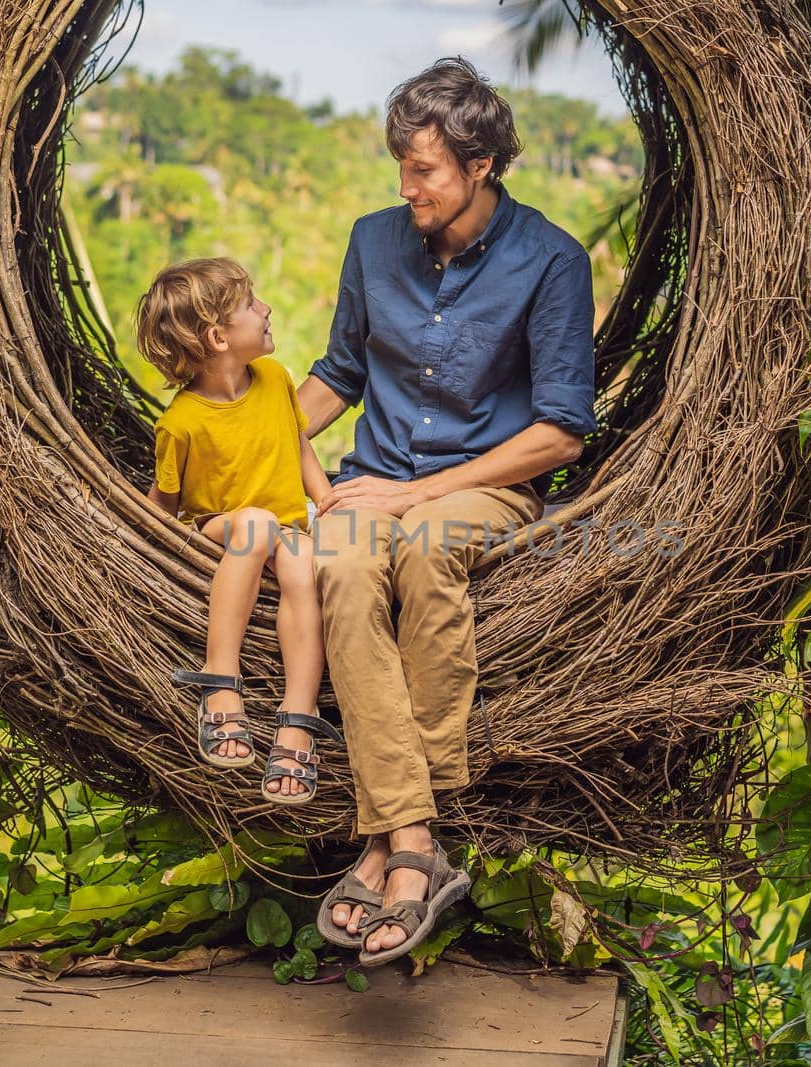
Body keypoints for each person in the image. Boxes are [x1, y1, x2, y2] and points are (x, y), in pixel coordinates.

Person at [301, 58, 598, 966]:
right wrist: (251, 420)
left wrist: (412, 491)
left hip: (486, 489)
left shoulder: (552, 260)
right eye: (401, 166)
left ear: (480, 165)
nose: (407, 187)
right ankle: (415, 844)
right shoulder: (372, 240)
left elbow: (561, 433)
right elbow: (340, 375)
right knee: (343, 565)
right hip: (372, 479)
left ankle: (381, 844)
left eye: (423, 169)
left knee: (426, 546)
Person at [138, 258, 341, 807]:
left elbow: (299, 447)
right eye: (252, 304)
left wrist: (326, 501)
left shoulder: (275, 379)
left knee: (303, 566)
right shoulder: (179, 423)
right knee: (254, 523)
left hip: (287, 526)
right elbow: (165, 504)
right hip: (220, 528)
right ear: (218, 336)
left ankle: (298, 718)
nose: (266, 308)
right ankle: (219, 682)